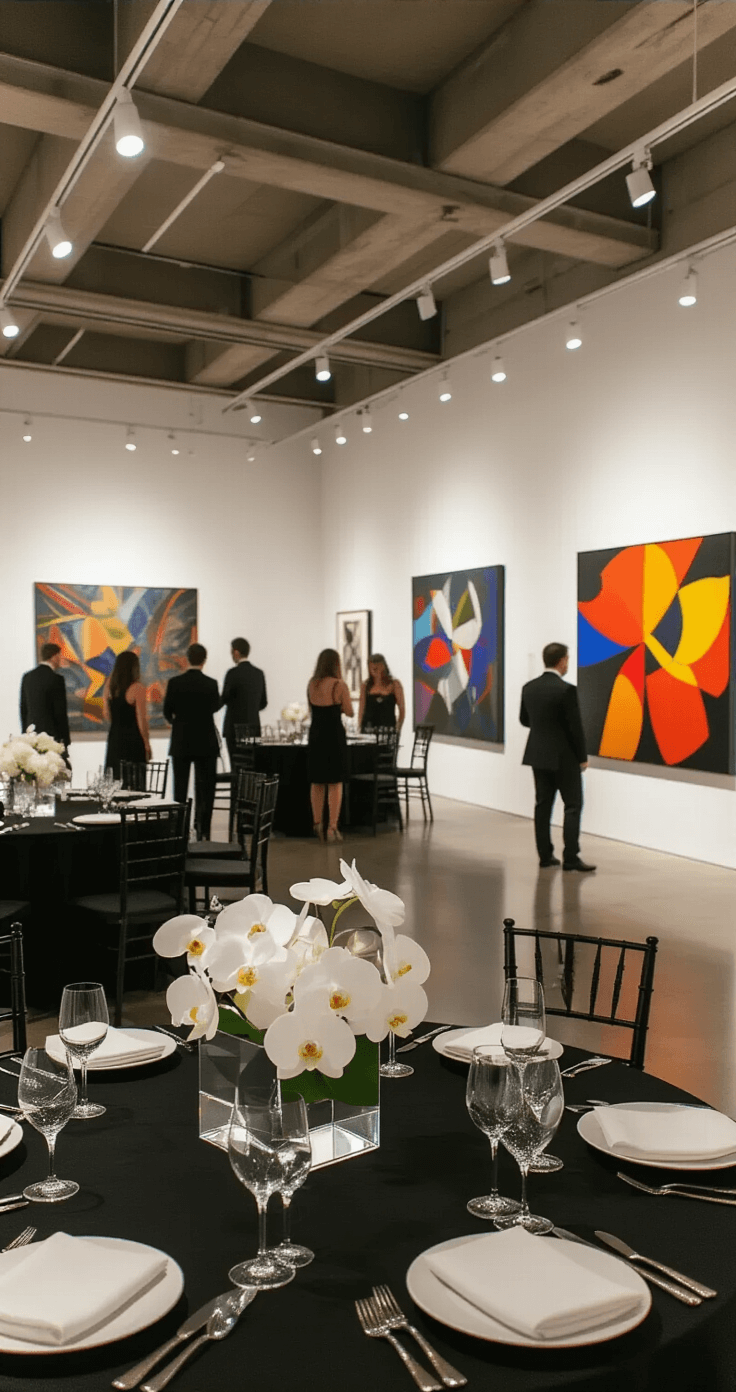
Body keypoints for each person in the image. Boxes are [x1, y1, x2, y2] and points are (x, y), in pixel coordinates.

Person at [519, 642, 595, 873]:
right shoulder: (566, 690)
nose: (568, 663)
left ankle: (545, 856)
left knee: (543, 805)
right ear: (562, 661)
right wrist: (582, 757)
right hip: (564, 757)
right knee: (572, 805)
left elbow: (524, 720)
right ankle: (571, 857)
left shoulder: (529, 688)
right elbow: (575, 728)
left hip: (537, 755)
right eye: (567, 659)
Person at [164, 642, 220, 839]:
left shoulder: (175, 683)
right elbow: (215, 707)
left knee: (179, 788)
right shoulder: (211, 683)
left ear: (187, 659)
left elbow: (167, 712)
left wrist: (178, 723)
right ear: (204, 660)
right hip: (206, 741)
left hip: (181, 741)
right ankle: (204, 828)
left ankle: (180, 829)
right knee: (206, 789)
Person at [307, 648, 353, 843]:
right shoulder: (339, 685)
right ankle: (332, 828)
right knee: (335, 782)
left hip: (316, 735)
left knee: (317, 781)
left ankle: (317, 822)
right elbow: (349, 711)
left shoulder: (312, 684)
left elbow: (311, 710)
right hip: (334, 735)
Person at [103, 650, 151, 777]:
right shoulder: (137, 688)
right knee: (134, 780)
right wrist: (146, 744)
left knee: (115, 778)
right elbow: (141, 720)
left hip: (115, 738)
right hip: (133, 740)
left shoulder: (109, 685)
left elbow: (107, 715)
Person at [221, 637, 267, 765]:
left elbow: (225, 698)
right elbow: (263, 703)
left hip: (234, 727)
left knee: (236, 766)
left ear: (236, 652)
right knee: (252, 766)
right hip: (253, 726)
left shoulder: (232, 673)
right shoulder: (259, 674)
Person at [20, 641, 71, 753]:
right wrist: (65, 741)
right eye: (60, 656)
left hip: (31, 736)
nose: (61, 659)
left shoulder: (27, 677)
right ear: (54, 656)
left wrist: (25, 735)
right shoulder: (56, 679)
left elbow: (23, 709)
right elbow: (60, 713)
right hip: (52, 737)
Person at [358, 653, 405, 733]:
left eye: (377, 668)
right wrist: (359, 728)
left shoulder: (394, 684)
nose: (374, 671)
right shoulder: (365, 686)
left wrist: (398, 729)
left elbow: (402, 711)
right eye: (372, 668)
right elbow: (361, 711)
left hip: (387, 730)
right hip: (368, 729)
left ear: (384, 667)